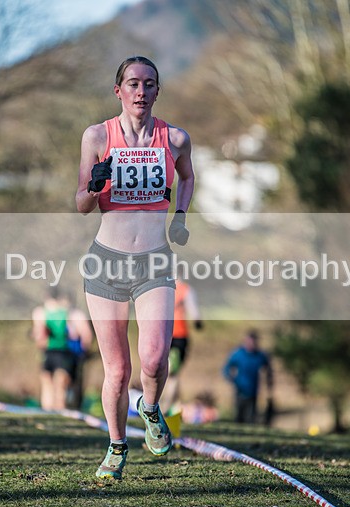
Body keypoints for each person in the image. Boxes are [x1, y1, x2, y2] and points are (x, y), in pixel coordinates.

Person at [76, 56, 195, 479]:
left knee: (154, 357)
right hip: (106, 263)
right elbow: (81, 204)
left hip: (154, 261)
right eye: (132, 84)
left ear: (157, 91)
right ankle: (116, 445)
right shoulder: (96, 136)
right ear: (119, 91)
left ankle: (149, 406)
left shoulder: (175, 138)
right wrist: (96, 183)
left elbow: (187, 176)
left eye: (148, 84)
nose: (140, 91)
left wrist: (180, 216)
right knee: (118, 369)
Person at [32, 287, 78, 411]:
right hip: (64, 352)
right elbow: (74, 334)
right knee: (60, 385)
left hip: (48, 351)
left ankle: (47, 413)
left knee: (47, 384)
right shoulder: (67, 311)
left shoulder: (40, 312)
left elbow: (40, 336)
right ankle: (60, 411)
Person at [161, 278, 203, 413]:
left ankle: (167, 407)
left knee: (166, 371)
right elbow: (194, 312)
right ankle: (166, 407)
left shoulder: (161, 286)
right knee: (173, 374)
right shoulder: (185, 289)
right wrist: (198, 322)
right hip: (179, 336)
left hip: (162, 333)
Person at [222, 329, 273, 424]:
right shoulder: (238, 354)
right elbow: (226, 367)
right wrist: (230, 378)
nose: (252, 343)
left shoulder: (260, 356)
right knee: (238, 417)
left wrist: (269, 384)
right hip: (239, 390)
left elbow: (268, 370)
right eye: (250, 340)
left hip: (253, 391)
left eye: (254, 341)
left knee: (251, 418)